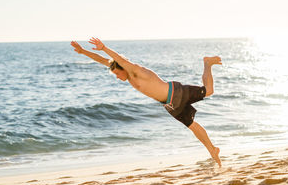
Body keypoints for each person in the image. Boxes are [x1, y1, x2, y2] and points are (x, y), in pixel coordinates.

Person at [71, 37, 222, 167]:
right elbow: (103, 61)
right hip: (169, 103)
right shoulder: (128, 75)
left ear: (123, 68)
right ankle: (212, 149)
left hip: (176, 93)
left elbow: (120, 60)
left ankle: (207, 63)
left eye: (117, 73)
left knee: (208, 91)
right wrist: (83, 51)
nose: (117, 77)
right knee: (191, 124)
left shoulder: (135, 70)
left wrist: (104, 47)